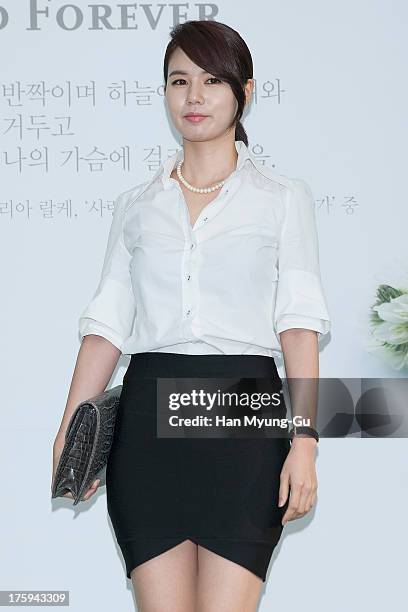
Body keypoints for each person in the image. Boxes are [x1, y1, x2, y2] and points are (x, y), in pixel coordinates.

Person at [52, 19, 331, 612]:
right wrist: (69, 429)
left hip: (245, 420)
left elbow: (299, 327)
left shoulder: (283, 198)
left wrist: (304, 440)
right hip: (148, 425)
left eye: (212, 81)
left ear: (245, 93)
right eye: (180, 82)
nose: (195, 97)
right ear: (165, 94)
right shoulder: (135, 205)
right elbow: (106, 329)